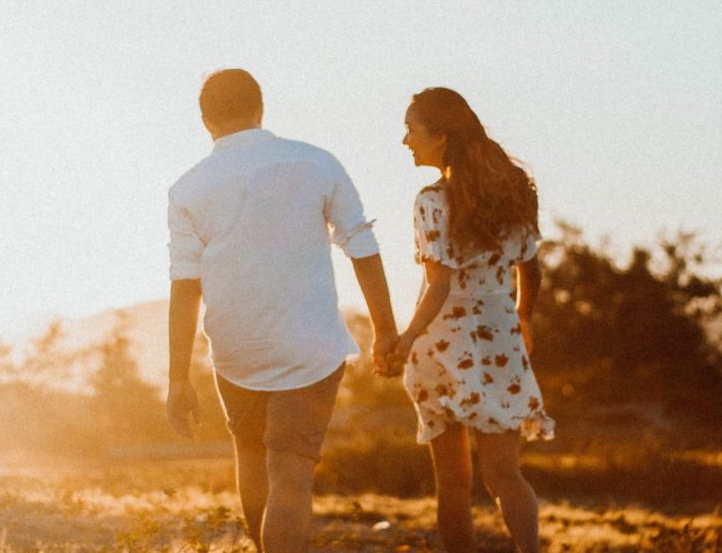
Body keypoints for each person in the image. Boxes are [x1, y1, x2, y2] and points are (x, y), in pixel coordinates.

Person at [166, 69, 397, 553]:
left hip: (235, 350)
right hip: (308, 345)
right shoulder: (315, 162)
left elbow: (185, 286)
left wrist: (177, 378)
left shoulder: (187, 188)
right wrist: (385, 330)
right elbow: (361, 243)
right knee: (290, 475)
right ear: (260, 109)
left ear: (206, 121)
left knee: (251, 459)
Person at [387, 87, 554, 553]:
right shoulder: (512, 191)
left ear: (440, 136)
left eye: (411, 130)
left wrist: (406, 337)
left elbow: (439, 284)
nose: (405, 140)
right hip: (500, 338)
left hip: (442, 343)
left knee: (453, 484)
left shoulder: (431, 201)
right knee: (504, 474)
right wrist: (524, 319)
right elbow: (531, 268)